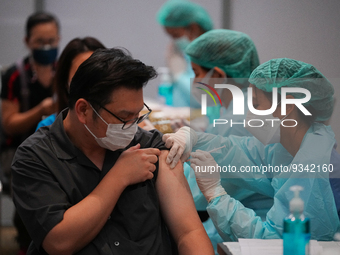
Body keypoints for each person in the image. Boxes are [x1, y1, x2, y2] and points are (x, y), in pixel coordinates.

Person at [11, 48, 214, 255]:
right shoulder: (35, 158)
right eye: (124, 118)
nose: (133, 127)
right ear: (83, 110)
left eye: (138, 116)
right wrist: (118, 177)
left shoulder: (151, 147)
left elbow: (189, 233)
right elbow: (58, 242)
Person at [163, 58, 340, 241]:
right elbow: (238, 152)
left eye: (255, 105)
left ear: (287, 105)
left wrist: (216, 194)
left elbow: (272, 242)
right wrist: (194, 139)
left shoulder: (312, 166)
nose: (249, 115)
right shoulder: (288, 147)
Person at [0, 11, 60, 254]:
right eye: (40, 42)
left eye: (52, 41)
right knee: (29, 205)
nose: (47, 46)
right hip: (20, 150)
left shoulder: (64, 70)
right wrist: (41, 110)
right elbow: (9, 124)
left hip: (58, 147)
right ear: (27, 42)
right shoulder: (15, 75)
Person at [36, 37, 106, 130]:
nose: (90, 82)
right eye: (81, 75)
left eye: (96, 74)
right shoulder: (47, 128)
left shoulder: (120, 123)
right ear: (65, 82)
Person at [157, 0, 213, 107]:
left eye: (175, 35)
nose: (173, 41)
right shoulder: (188, 55)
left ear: (193, 28)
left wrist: (179, 75)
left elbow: (206, 99)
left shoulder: (214, 54)